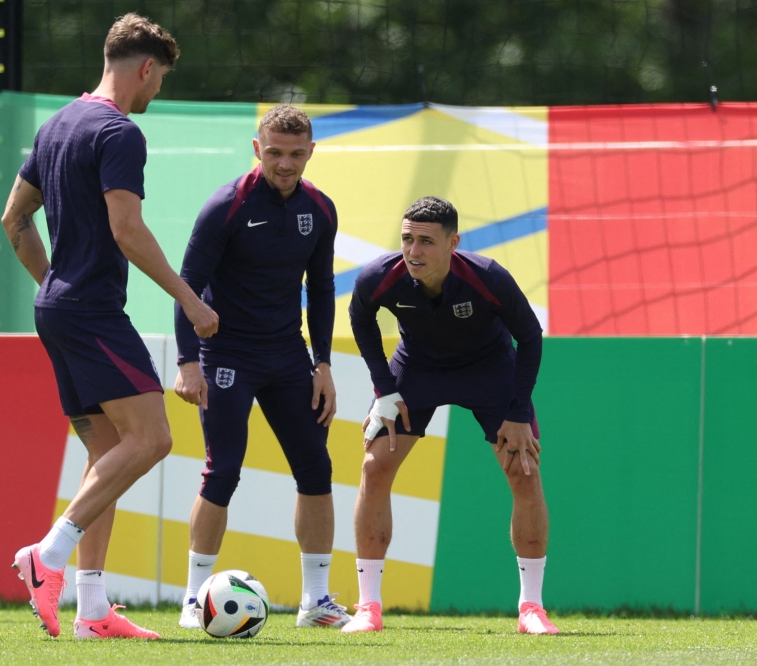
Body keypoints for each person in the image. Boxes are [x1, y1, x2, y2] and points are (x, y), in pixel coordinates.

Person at [1, 13, 218, 640]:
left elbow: (16, 220)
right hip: (92, 310)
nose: (157, 94)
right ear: (146, 68)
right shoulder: (119, 132)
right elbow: (127, 231)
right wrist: (191, 302)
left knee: (106, 455)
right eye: (160, 81)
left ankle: (92, 610)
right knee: (152, 439)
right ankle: (47, 555)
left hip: (58, 309)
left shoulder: (58, 123)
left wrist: (50, 286)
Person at [341, 196, 558, 635]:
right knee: (374, 465)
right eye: (407, 239)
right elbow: (361, 319)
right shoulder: (378, 278)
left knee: (525, 471)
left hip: (489, 369)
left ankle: (531, 608)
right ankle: (368, 607)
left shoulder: (488, 277)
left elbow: (530, 337)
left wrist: (517, 412)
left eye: (425, 241)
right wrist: (384, 388)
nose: (413, 251)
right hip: (417, 370)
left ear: (453, 242)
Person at [172, 105, 349, 629]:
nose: (286, 163)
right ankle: (191, 599)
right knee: (223, 471)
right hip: (226, 356)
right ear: (257, 149)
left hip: (288, 357)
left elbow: (321, 290)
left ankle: (315, 602)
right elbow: (186, 285)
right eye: (275, 152)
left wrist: (323, 363)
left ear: (311, 152)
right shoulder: (226, 206)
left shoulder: (320, 210)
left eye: (296, 153)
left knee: (316, 469)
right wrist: (188, 362)